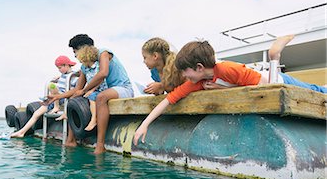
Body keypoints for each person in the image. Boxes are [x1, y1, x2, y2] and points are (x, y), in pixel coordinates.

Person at [134, 34, 326, 145]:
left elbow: (261, 86)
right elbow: (169, 100)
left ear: (199, 68)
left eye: (186, 71)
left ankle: (274, 55)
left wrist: (222, 87)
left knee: (315, 90)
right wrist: (145, 124)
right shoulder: (198, 82)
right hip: (261, 83)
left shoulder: (227, 69)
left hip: (275, 79)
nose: (184, 76)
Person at [48, 34, 134, 154]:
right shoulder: (85, 66)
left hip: (122, 88)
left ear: (83, 49)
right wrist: (58, 96)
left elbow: (103, 73)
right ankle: (70, 140)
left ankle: (100, 145)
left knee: (101, 97)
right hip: (102, 90)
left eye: (75, 52)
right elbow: (78, 89)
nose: (75, 56)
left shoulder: (103, 53)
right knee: (74, 100)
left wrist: (84, 91)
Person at [11, 55, 78, 138]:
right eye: (58, 68)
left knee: (52, 85)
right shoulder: (62, 76)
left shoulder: (74, 76)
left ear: (66, 65)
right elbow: (61, 80)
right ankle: (21, 132)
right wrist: (58, 78)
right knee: (36, 113)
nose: (59, 70)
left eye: (60, 68)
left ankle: (56, 107)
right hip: (54, 99)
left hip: (63, 98)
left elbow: (75, 89)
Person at [75, 45, 109, 131]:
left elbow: (100, 80)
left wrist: (91, 90)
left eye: (82, 61)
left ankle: (93, 119)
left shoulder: (97, 66)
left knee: (92, 97)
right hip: (92, 89)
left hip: (100, 88)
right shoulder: (87, 69)